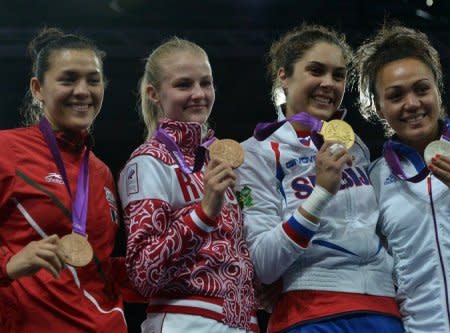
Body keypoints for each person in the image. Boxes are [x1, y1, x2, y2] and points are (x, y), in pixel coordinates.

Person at [235, 24, 403, 333]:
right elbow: (262, 264)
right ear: (283, 76)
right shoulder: (257, 153)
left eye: (338, 75)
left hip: (383, 310)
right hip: (311, 311)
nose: (329, 83)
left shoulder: (358, 148)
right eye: (316, 70)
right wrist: (321, 192)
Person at [354, 23, 450, 332]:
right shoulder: (376, 177)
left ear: (437, 88)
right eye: (396, 95)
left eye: (421, 89)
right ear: (376, 106)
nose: (412, 103)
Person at [117, 37, 258, 332]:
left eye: (205, 83)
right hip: (186, 321)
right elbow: (143, 273)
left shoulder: (220, 157)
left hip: (242, 321)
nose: (199, 94)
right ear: (154, 94)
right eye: (183, 85)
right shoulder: (148, 162)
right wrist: (204, 212)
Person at [0, 27, 131, 332]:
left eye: (93, 80)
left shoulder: (100, 172)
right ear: (37, 89)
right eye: (68, 79)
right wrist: (7, 264)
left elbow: (99, 267)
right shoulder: (6, 151)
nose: (83, 90)